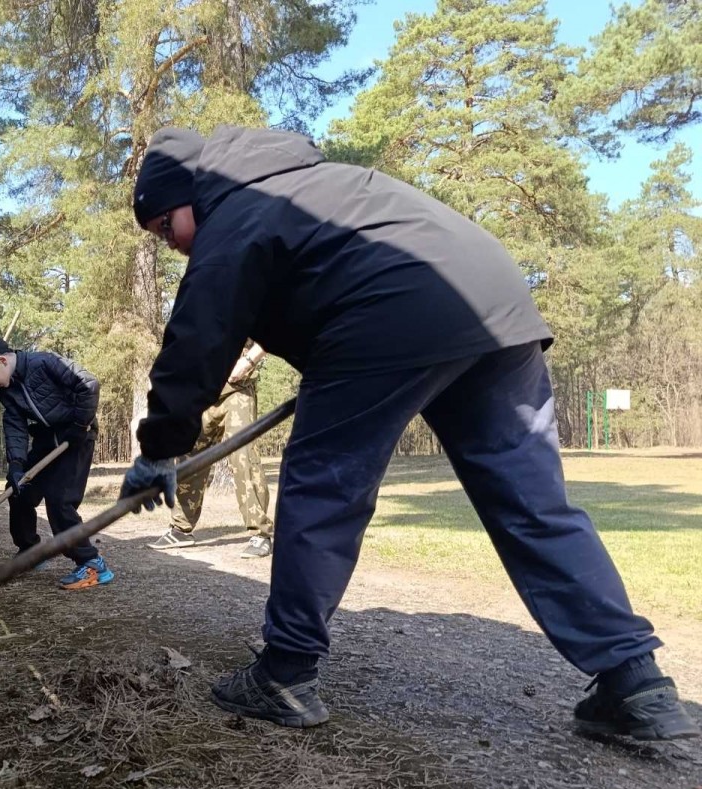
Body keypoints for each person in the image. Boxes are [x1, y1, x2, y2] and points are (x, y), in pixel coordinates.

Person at [119, 124, 697, 740]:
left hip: (393, 312)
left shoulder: (238, 208)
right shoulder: (327, 188)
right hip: (497, 308)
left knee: (322, 488)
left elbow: (199, 339)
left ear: (191, 193)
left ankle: (284, 675)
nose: (175, 247)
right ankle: (636, 683)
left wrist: (160, 447)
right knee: (533, 504)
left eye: (165, 229)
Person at [0, 335, 114, 590]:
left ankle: (93, 564)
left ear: (2, 360)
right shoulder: (6, 390)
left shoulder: (44, 362)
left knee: (60, 500)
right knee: (19, 491)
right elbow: (15, 425)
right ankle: (31, 552)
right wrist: (17, 464)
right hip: (45, 440)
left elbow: (89, 383)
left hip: (76, 437)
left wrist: (80, 423)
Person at [147, 339, 274, 558]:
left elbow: (272, 330)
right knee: (188, 455)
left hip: (236, 387)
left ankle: (261, 533)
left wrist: (247, 361)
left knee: (242, 454)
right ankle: (181, 529)